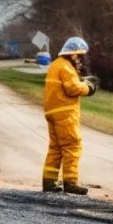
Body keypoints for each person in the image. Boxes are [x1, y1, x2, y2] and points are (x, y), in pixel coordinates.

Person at [42, 36, 97, 194]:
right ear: (73, 54)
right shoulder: (66, 66)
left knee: (55, 148)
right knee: (73, 145)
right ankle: (71, 183)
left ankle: (49, 181)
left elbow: (68, 83)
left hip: (52, 111)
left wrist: (81, 81)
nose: (80, 60)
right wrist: (89, 87)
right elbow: (72, 88)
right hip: (64, 113)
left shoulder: (55, 65)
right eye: (80, 56)